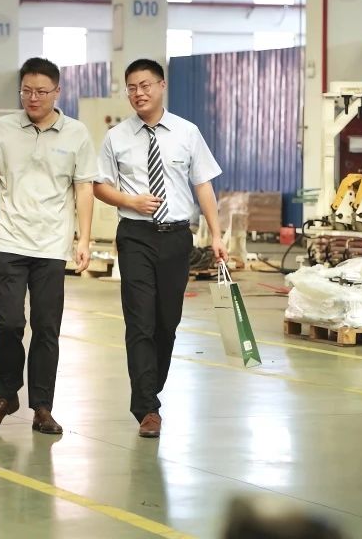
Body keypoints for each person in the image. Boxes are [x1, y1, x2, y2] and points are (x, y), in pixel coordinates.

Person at [93, 58, 228, 439]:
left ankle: (150, 388)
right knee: (140, 322)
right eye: (132, 87)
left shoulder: (187, 132)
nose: (139, 93)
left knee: (167, 323)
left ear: (161, 85)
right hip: (135, 236)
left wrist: (217, 235)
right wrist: (129, 201)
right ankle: (147, 408)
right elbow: (99, 185)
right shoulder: (116, 137)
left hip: (176, 237)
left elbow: (203, 185)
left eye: (145, 85)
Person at [0, 57, 97, 435]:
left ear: (57, 92)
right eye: (26, 90)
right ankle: (6, 396)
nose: (33, 98)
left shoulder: (77, 133)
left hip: (52, 245)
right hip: (8, 240)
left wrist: (84, 238)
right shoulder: (3, 128)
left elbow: (84, 188)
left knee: (46, 327)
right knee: (9, 323)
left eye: (41, 91)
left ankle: (42, 407)